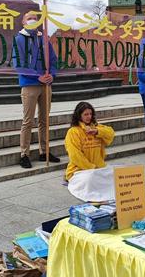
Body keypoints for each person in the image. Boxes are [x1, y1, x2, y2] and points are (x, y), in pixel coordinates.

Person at [13, 12, 60, 169]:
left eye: (35, 18)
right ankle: (24, 154)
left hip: (46, 84)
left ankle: (44, 151)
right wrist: (36, 76)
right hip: (29, 84)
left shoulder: (44, 39)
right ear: (23, 22)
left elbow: (53, 60)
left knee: (44, 120)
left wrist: (51, 75)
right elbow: (18, 63)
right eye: (29, 18)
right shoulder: (19, 39)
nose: (33, 20)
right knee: (28, 120)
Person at [64, 102, 115, 181]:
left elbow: (111, 133)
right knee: (90, 181)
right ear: (79, 115)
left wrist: (97, 131)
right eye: (86, 114)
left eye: (90, 114)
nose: (89, 117)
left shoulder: (95, 127)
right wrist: (91, 168)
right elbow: (75, 155)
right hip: (79, 170)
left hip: (98, 168)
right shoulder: (73, 132)